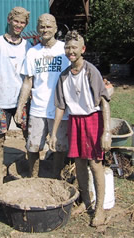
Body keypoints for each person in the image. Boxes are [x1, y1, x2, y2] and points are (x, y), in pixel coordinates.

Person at [49, 30, 112, 227]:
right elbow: (60, 107)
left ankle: (99, 209)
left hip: (93, 119)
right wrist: (53, 133)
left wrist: (107, 131)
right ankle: (87, 201)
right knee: (79, 163)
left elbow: (104, 102)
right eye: (67, 47)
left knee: (95, 164)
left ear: (82, 49)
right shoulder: (64, 76)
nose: (70, 51)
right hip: (75, 120)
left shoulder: (90, 71)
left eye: (74, 47)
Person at [15, 13, 70, 179]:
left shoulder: (64, 50)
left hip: (60, 109)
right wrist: (20, 107)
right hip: (38, 108)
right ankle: (33, 177)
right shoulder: (33, 52)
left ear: (55, 28)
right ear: (38, 29)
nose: (45, 30)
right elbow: (27, 81)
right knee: (33, 146)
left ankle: (56, 178)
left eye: (48, 26)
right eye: (42, 27)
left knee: (59, 146)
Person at [0, 7, 31, 186]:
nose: (18, 25)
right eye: (16, 21)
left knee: (29, 134)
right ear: (9, 20)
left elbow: (29, 77)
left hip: (21, 101)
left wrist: (25, 100)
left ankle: (28, 168)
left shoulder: (27, 46)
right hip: (0, 101)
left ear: (25, 24)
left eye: (22, 22)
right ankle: (0, 175)